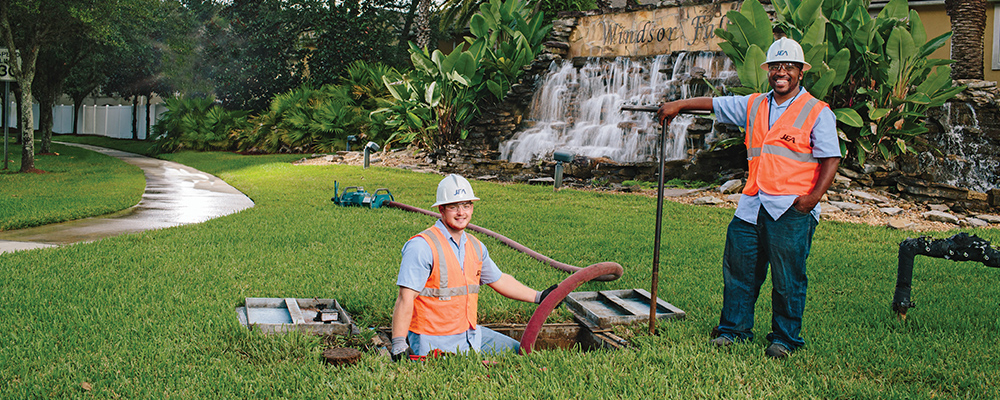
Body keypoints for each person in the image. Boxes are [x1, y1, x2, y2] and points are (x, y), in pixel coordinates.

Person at [656, 37, 841, 359]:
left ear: (800, 72)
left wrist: (812, 198)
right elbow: (715, 104)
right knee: (740, 271)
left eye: (789, 67)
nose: (782, 73)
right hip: (752, 203)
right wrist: (679, 106)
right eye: (776, 67)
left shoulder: (816, 111)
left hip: (792, 208)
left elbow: (831, 158)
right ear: (768, 70)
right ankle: (733, 331)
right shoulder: (754, 104)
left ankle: (785, 339)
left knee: (788, 279)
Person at [390, 174, 558, 360]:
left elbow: (499, 279)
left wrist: (539, 296)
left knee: (519, 353)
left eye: (466, 205)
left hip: (469, 335)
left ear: (472, 208)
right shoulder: (422, 246)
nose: (461, 212)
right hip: (433, 340)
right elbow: (405, 298)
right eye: (454, 206)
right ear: (442, 209)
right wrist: (398, 344)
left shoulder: (475, 246)